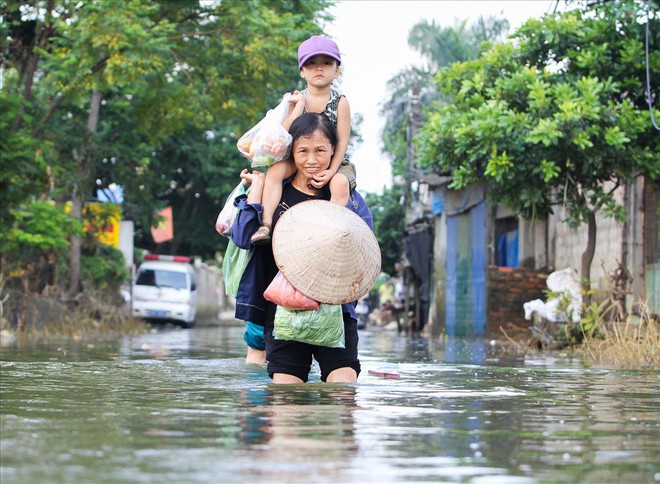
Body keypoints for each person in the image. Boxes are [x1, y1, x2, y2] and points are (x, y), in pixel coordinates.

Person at [231, 112, 373, 384]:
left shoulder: (349, 199)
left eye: (320, 150)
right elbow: (241, 237)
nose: (311, 159)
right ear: (290, 152)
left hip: (336, 312)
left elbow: (363, 253)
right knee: (286, 402)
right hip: (283, 316)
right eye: (302, 150)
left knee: (342, 393)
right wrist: (254, 195)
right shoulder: (273, 192)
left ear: (334, 150)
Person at [250, 35, 356, 246]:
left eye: (326, 63)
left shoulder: (340, 103)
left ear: (336, 71)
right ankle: (266, 224)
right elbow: (284, 132)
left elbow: (343, 142)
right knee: (275, 171)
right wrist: (297, 106)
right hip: (298, 157)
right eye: (312, 63)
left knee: (341, 184)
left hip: (333, 160)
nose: (319, 69)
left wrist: (332, 170)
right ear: (302, 70)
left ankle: (329, 232)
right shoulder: (296, 98)